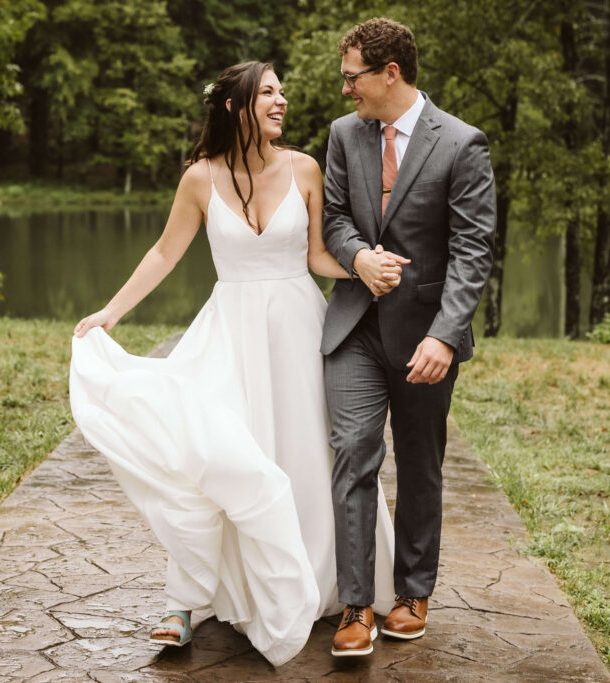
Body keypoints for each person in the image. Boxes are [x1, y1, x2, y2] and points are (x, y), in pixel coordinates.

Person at [69, 61, 400, 667]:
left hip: (298, 329)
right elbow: (166, 251)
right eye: (268, 92)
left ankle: (321, 583)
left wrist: (364, 266)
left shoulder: (303, 168)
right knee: (215, 459)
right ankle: (185, 599)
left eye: (281, 91)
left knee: (305, 452)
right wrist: (110, 314)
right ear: (234, 105)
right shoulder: (200, 178)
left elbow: (319, 255)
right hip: (229, 332)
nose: (281, 100)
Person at [321, 18, 496, 656]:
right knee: (353, 454)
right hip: (355, 328)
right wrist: (359, 256)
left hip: (426, 339)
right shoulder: (344, 136)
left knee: (420, 465)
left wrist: (446, 337)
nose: (347, 92)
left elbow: (473, 250)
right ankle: (355, 607)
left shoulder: (461, 143)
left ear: (389, 72)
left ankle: (414, 592)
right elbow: (335, 217)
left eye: (353, 77)